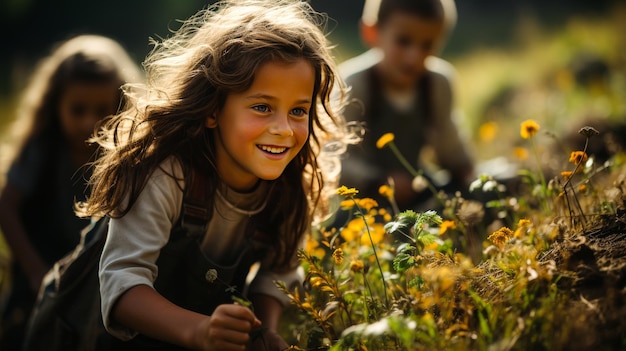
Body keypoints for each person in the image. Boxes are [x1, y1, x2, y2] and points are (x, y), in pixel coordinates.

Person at [77, 0, 350, 350]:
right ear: (212, 110)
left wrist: (263, 333)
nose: (284, 129)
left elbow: (277, 274)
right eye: (263, 107)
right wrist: (199, 331)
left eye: (299, 110)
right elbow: (123, 284)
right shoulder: (166, 173)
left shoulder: (290, 188)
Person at [0, 34, 141, 349]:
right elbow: (6, 207)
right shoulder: (43, 148)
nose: (89, 121)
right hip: (35, 281)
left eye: (101, 110)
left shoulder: (125, 157)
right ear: (55, 104)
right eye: (77, 109)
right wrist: (37, 272)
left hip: (94, 284)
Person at [338, 0, 475, 211]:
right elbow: (334, 158)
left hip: (416, 189)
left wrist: (469, 176)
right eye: (403, 41)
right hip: (365, 201)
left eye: (427, 45)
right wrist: (378, 180)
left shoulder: (437, 83)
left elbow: (449, 145)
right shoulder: (354, 84)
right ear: (372, 33)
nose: (414, 57)